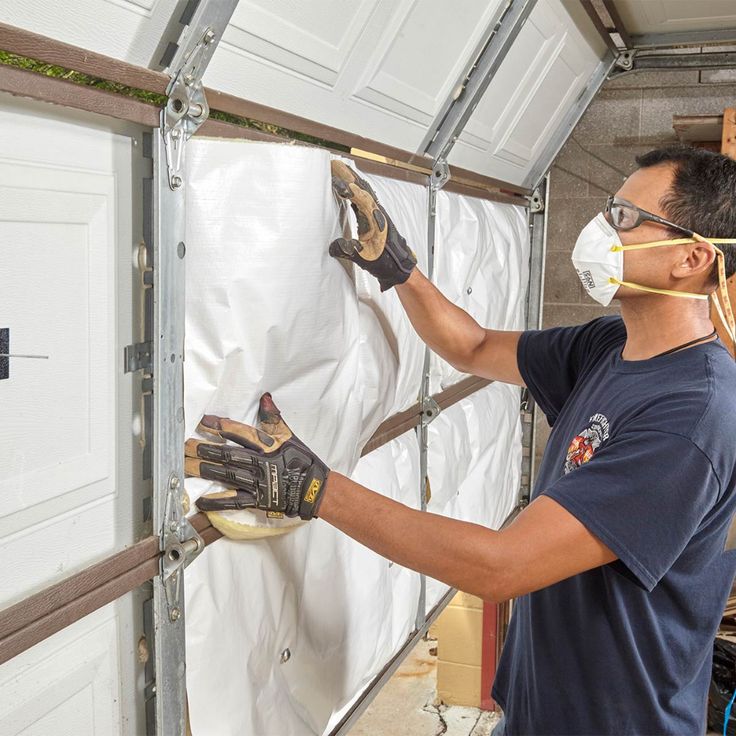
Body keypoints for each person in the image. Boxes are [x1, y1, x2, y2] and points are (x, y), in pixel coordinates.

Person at [186, 147, 736, 735]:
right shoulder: (609, 345)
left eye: (626, 218)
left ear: (692, 257)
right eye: (609, 209)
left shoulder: (692, 415)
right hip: (535, 713)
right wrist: (399, 270)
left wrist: (315, 489)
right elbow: (472, 347)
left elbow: (503, 566)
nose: (602, 228)